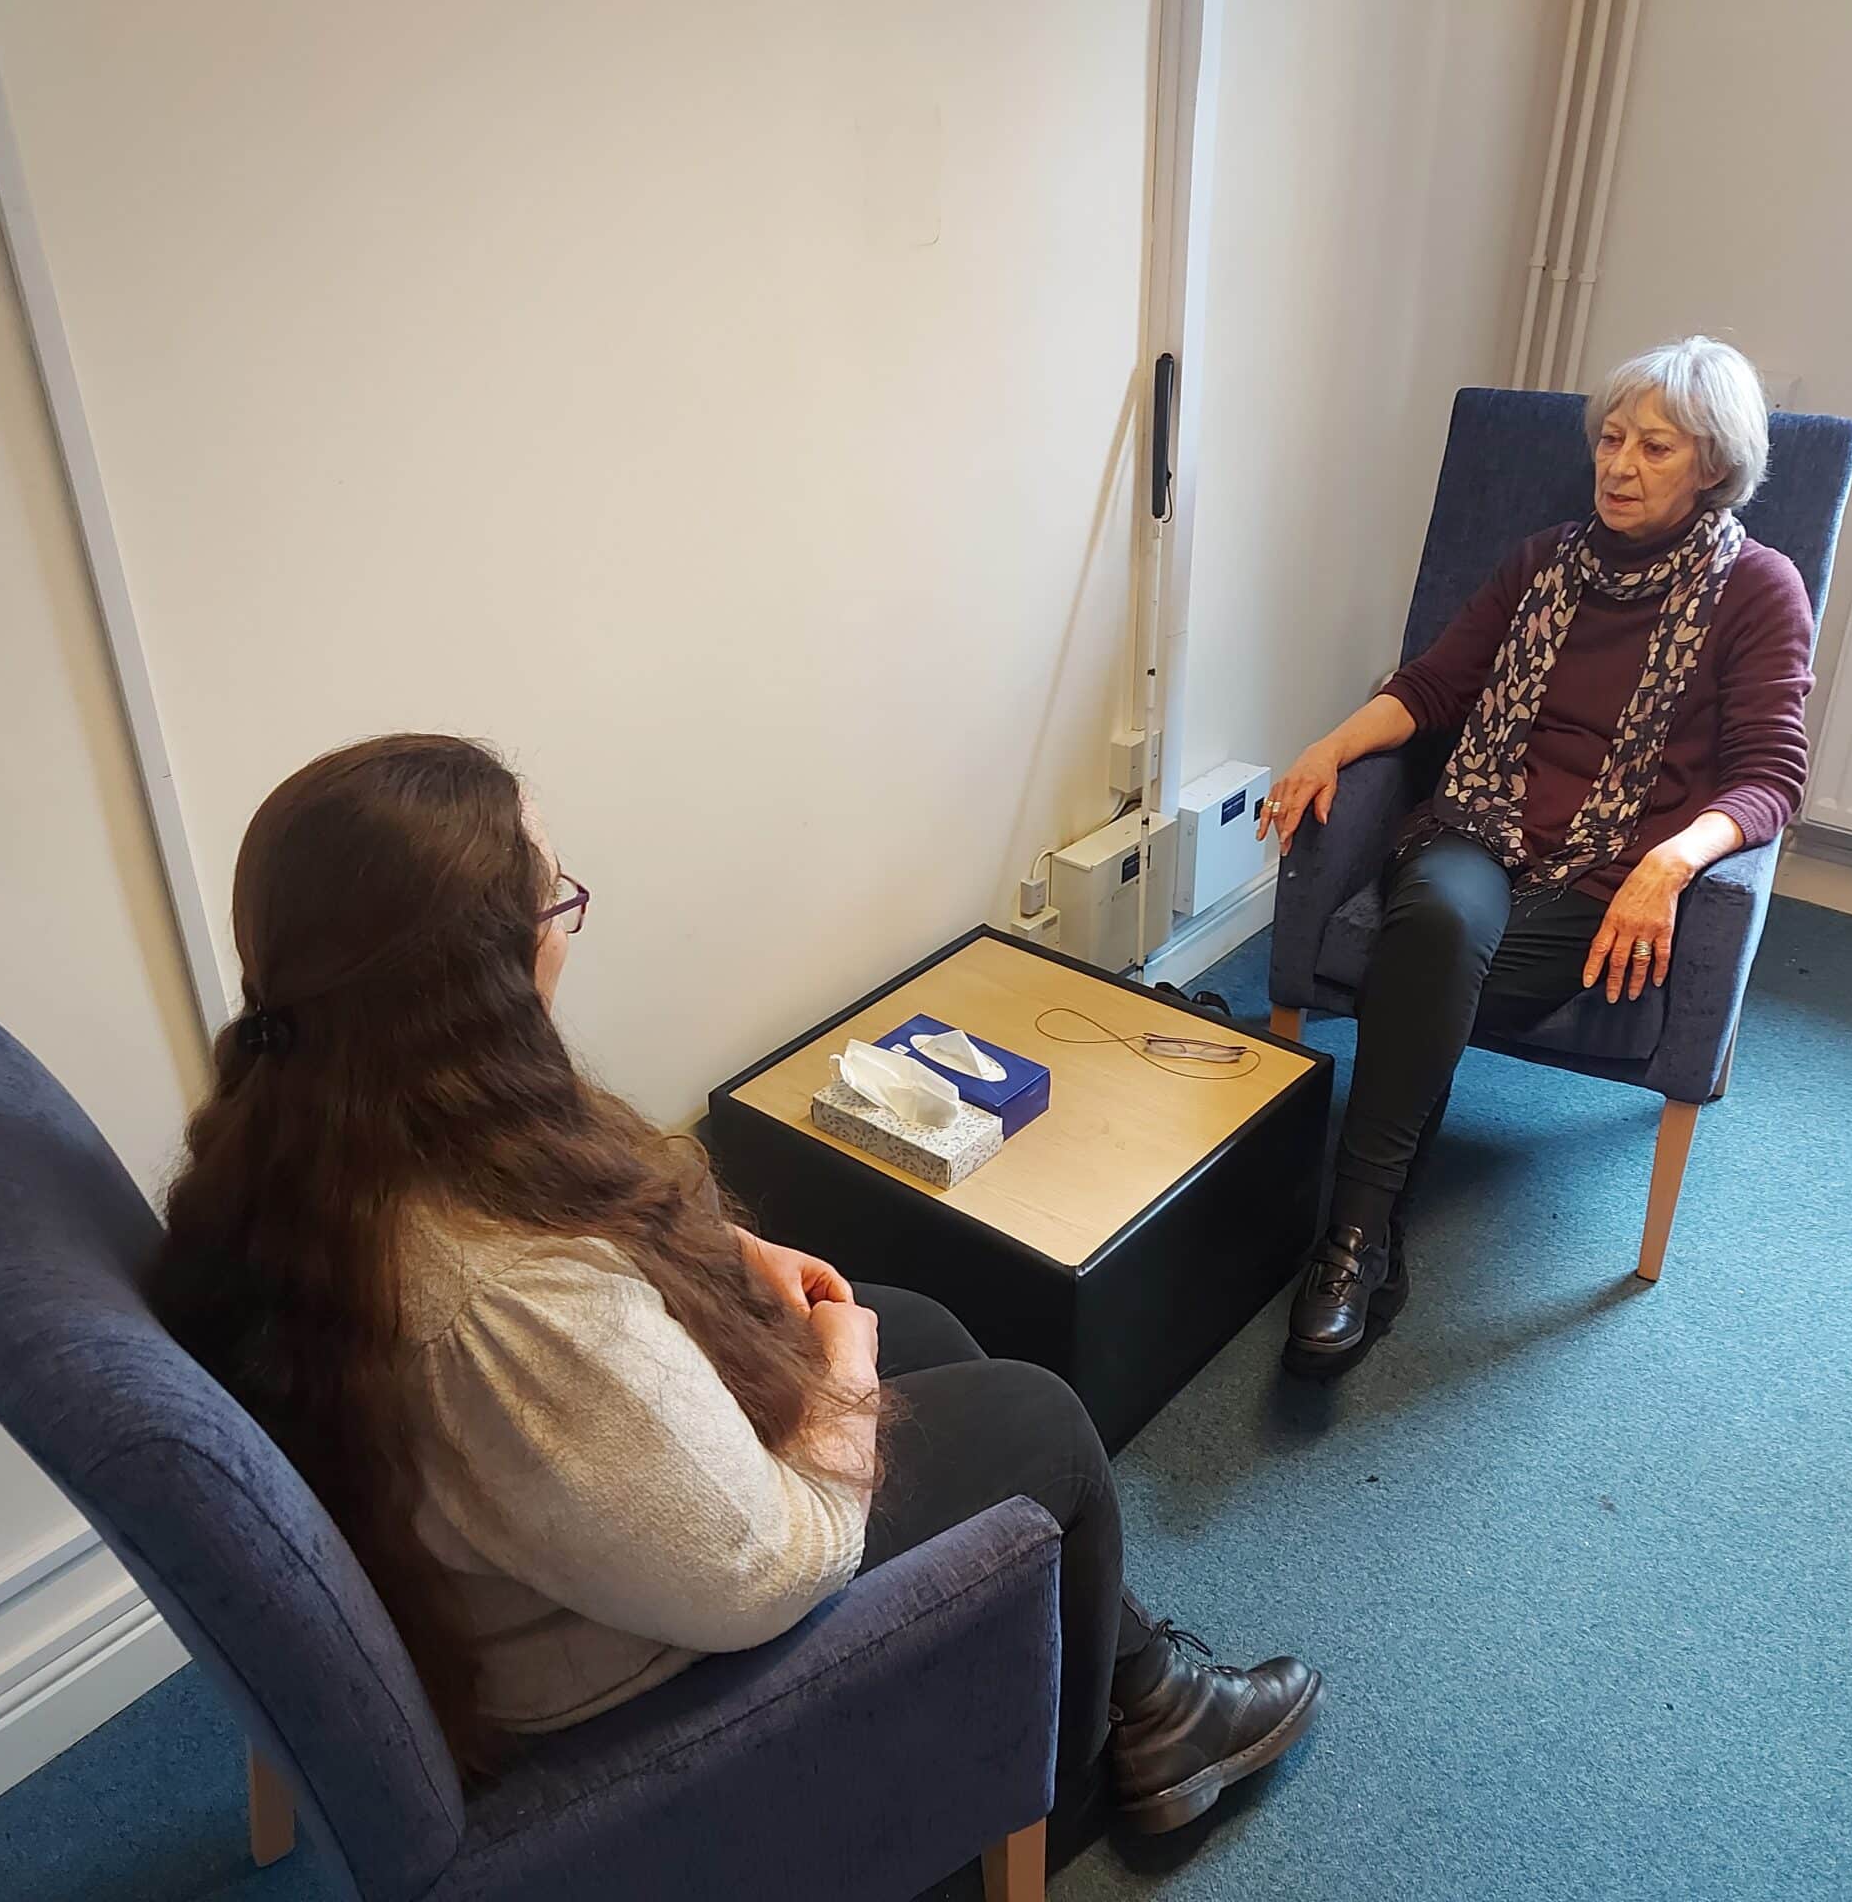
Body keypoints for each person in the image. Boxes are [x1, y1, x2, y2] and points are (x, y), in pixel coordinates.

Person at [151, 733, 1321, 1837]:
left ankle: (1137, 1685)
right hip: (618, 1670)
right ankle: (1079, 1781)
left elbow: (572, 1205)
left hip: (518, 1562)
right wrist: (840, 1367)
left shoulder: (315, 1116)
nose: (567, 927)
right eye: (554, 903)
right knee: (1040, 1425)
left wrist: (719, 1258)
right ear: (473, 982)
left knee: (921, 1322)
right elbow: (768, 1568)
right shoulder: (496, 1310)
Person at [1256, 336, 1811, 1376]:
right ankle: (1360, 1238)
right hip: (1479, 826)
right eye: (1610, 439)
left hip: (1609, 875)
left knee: (1421, 975)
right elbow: (1433, 687)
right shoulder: (1540, 563)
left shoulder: (1758, 590)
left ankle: (1361, 1216)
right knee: (1432, 926)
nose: (1618, 465)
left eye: (1654, 447)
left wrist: (1670, 864)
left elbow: (1769, 776)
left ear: (1712, 468)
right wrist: (1326, 747)